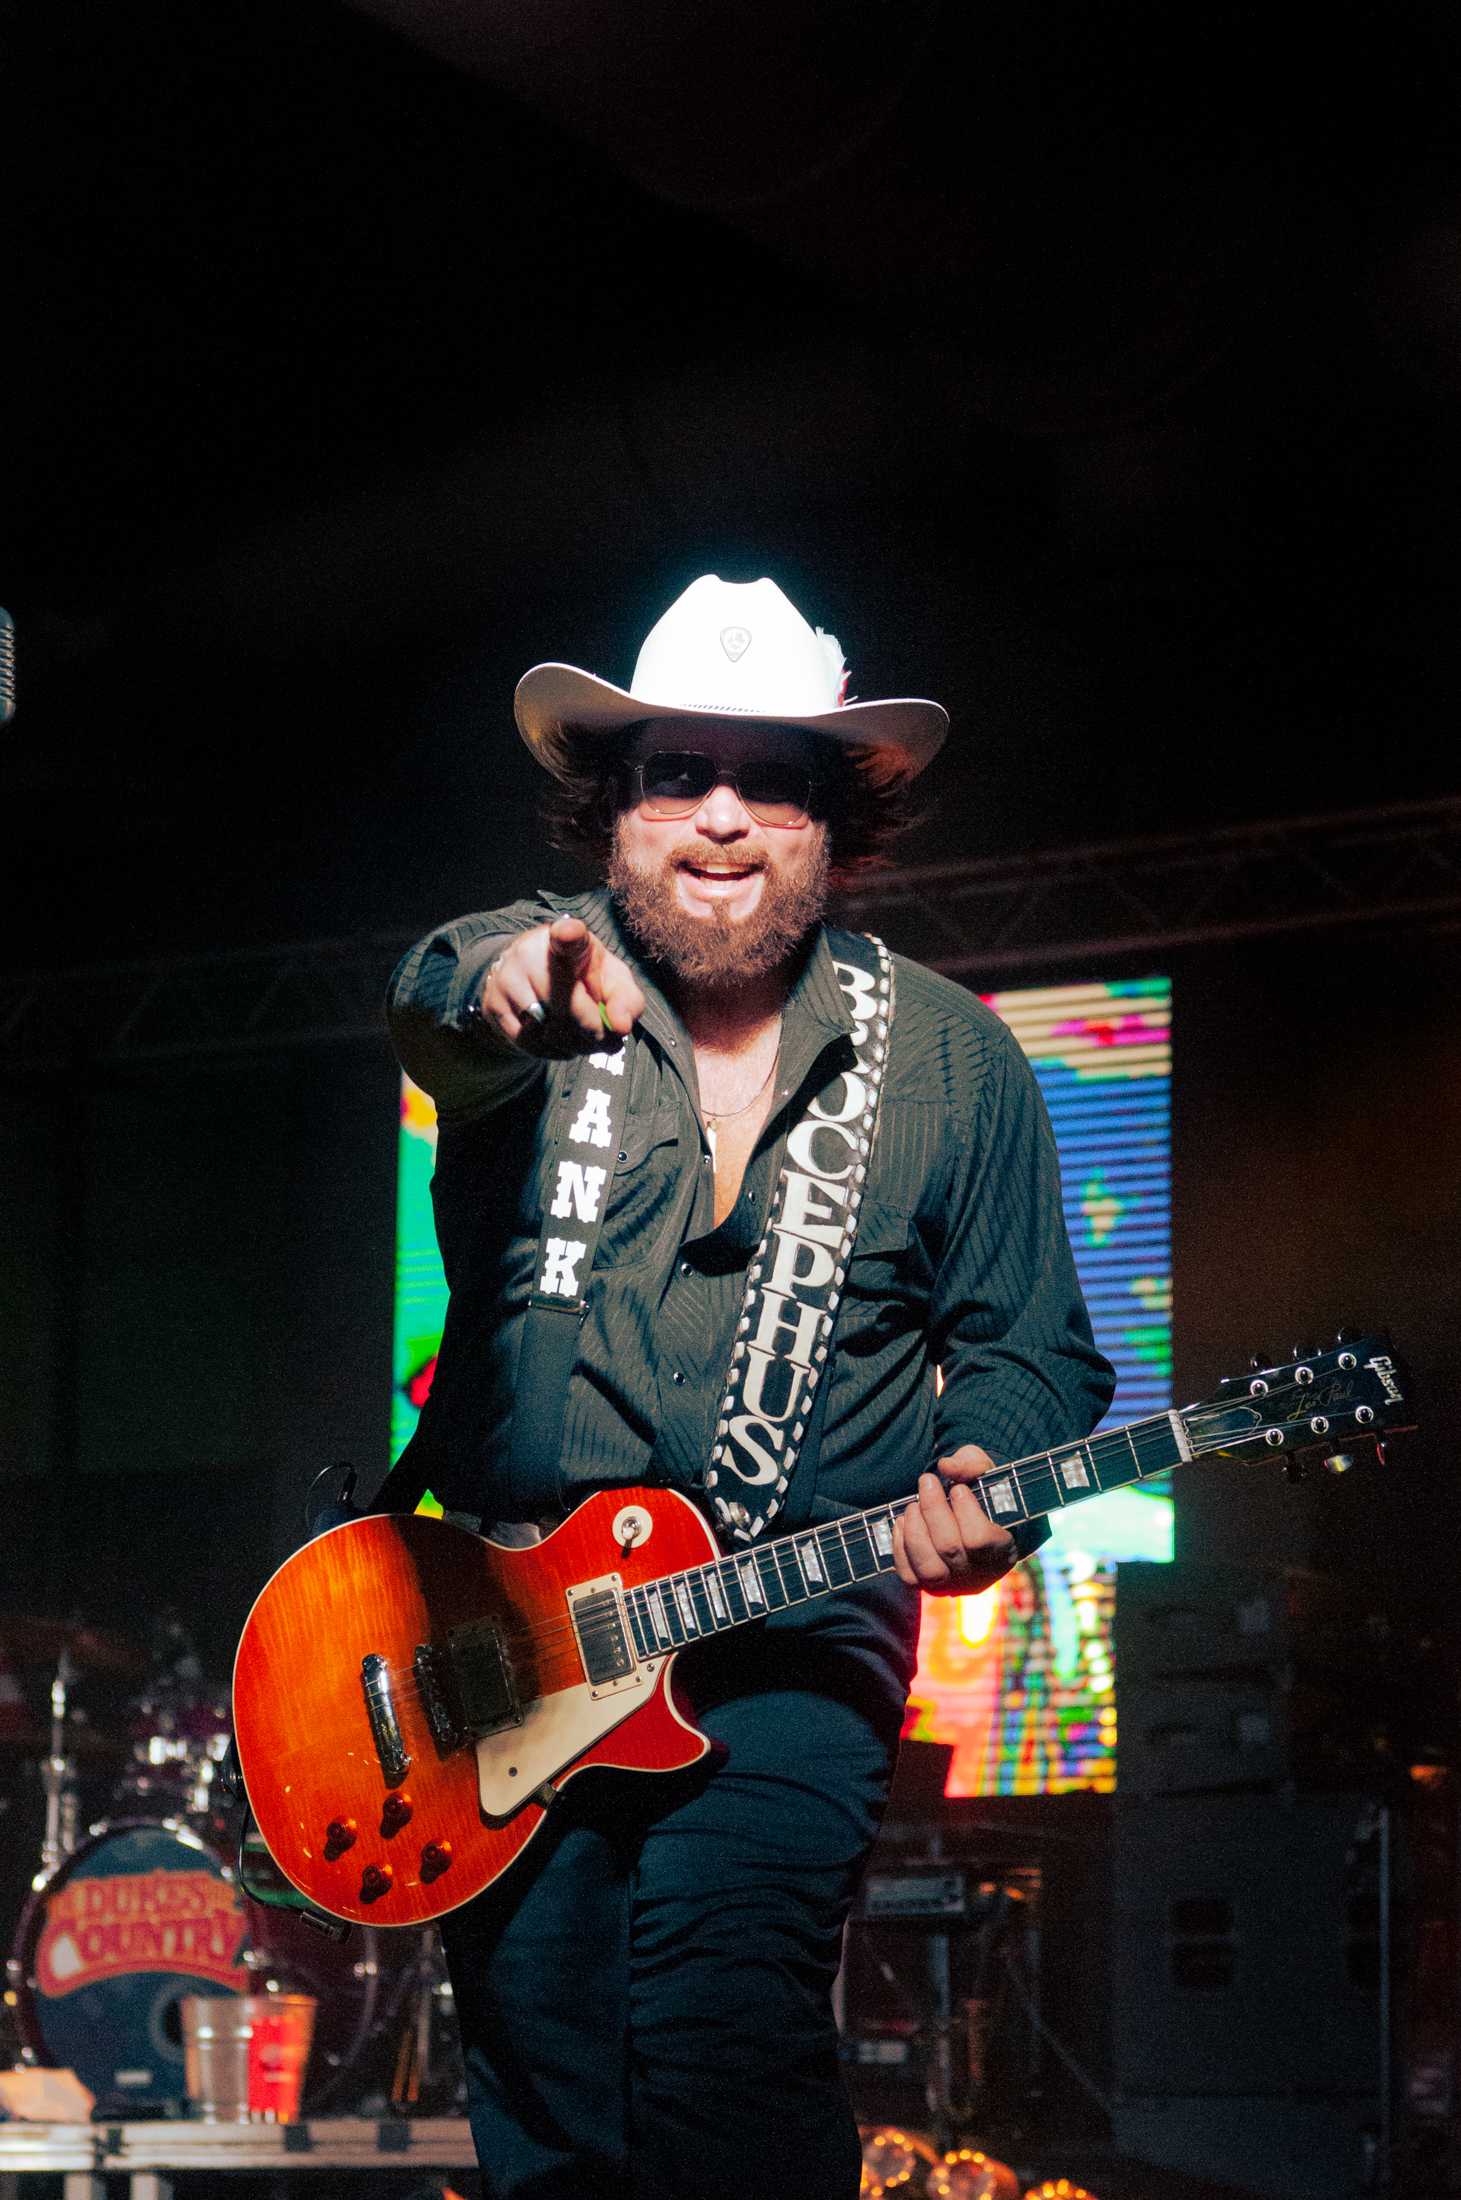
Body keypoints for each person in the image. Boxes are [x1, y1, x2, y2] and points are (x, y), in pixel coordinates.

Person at [383, 573, 1114, 2199]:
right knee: (549, 2083)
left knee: (723, 2032)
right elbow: (441, 998)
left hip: (793, 1635)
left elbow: (1032, 1343)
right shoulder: (530, 984)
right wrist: (498, 982)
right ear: (612, 815)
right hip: (508, 1629)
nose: (720, 818)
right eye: (674, 776)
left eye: (768, 780)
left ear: (829, 823)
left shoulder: (945, 1054)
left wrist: (985, 1472)